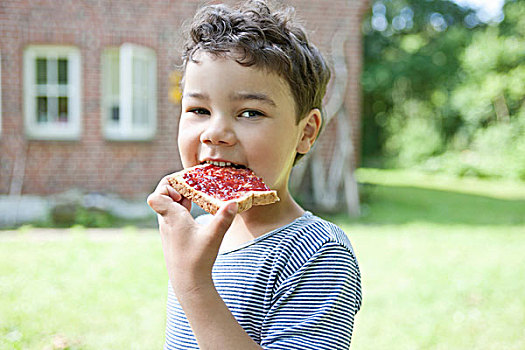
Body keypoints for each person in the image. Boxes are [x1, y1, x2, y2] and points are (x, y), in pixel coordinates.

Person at [147, 1, 362, 348]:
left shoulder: (318, 253)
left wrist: (194, 283)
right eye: (199, 109)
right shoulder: (197, 235)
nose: (214, 133)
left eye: (249, 113)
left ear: (306, 132)